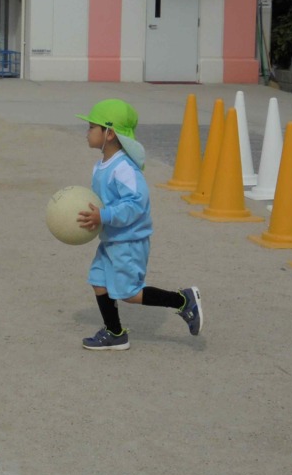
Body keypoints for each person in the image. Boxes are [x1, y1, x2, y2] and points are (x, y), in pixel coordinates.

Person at [74, 99, 202, 350]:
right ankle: (115, 333)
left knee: (129, 293)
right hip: (111, 239)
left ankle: (182, 301)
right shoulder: (100, 166)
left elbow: (136, 204)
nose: (87, 132)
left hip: (129, 241)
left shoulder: (124, 168)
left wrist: (105, 216)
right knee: (98, 281)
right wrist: (95, 219)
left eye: (92, 127)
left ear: (109, 133)